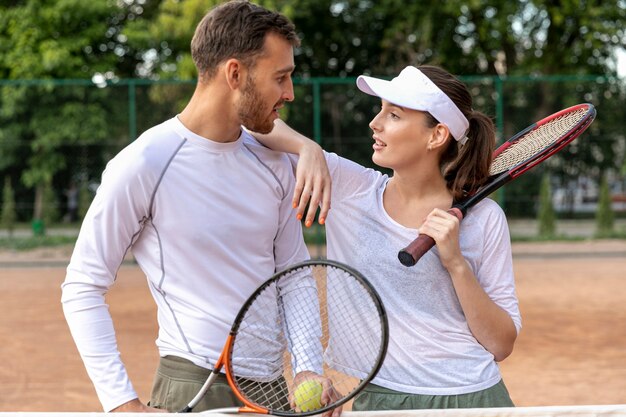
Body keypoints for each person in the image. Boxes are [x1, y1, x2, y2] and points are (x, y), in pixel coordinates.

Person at [61, 1, 335, 414]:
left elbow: (293, 278)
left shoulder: (276, 163)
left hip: (273, 389)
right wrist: (120, 403)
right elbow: (83, 285)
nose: (290, 93)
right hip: (192, 384)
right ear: (235, 74)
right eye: (281, 77)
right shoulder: (144, 163)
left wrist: (308, 369)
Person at [252, 64, 522, 409]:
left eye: (393, 115)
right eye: (380, 110)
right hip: (381, 397)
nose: (374, 123)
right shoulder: (350, 188)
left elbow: (501, 344)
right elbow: (254, 125)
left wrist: (455, 263)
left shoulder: (485, 220)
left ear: (436, 135)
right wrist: (308, 149)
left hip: (472, 396)